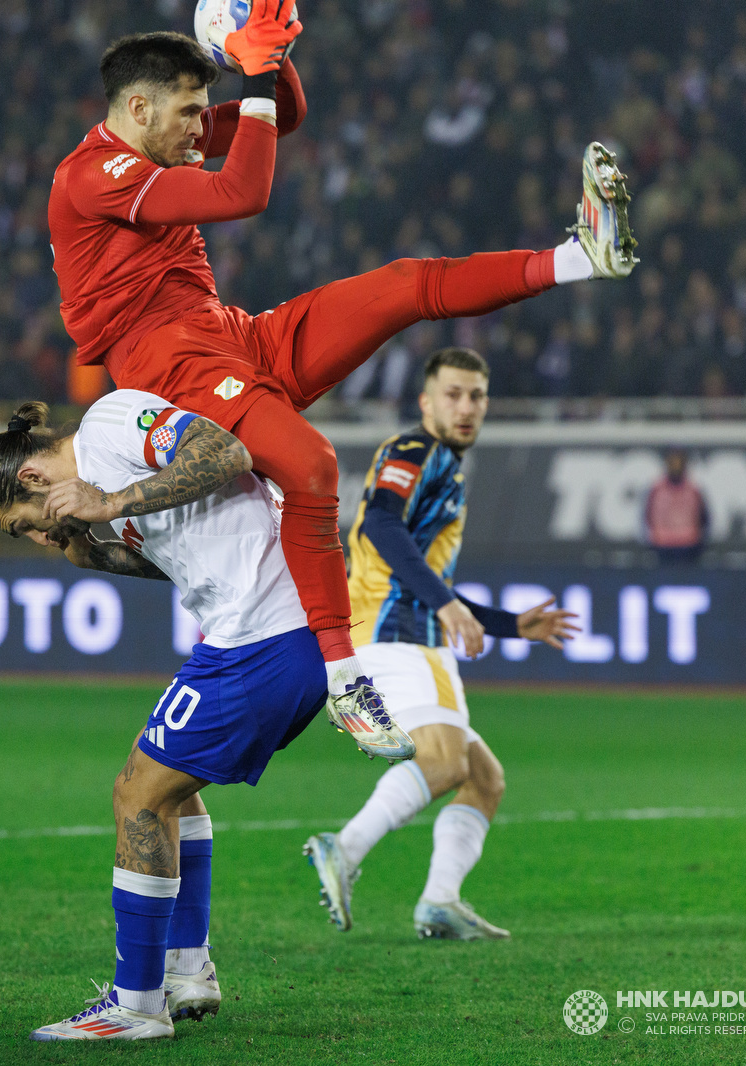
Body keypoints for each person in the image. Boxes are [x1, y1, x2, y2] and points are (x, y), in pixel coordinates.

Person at [48, 17, 636, 735]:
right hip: (167, 366)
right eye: (191, 113)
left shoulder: (164, 140)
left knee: (405, 284)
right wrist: (255, 73)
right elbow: (242, 194)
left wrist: (267, 55)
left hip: (230, 336)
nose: (203, 129)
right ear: (138, 110)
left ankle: (582, 256)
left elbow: (285, 114)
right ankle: (345, 677)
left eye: (208, 110)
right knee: (312, 464)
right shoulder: (91, 174)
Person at [0, 392, 413, 1042]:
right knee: (169, 793)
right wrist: (98, 553)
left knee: (138, 797)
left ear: (33, 478)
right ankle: (187, 970)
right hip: (242, 638)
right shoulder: (104, 484)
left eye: (23, 523)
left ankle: (136, 1005)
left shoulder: (111, 424)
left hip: (266, 637)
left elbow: (225, 451)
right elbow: (180, 555)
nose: (37, 536)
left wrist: (112, 503)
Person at [303, 348, 579, 941]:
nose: (466, 407)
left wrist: (510, 625)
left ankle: (440, 901)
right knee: (446, 762)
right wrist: (448, 606)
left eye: (477, 396)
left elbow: (423, 571)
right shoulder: (414, 451)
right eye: (452, 395)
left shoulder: (445, 466)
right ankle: (343, 849)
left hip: (399, 631)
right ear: (426, 401)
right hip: (399, 634)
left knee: (483, 778)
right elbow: (380, 522)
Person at [644, 447, 709, 565]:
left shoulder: (693, 490)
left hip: (689, 546)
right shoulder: (657, 490)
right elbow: (647, 517)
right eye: (672, 462)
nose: (675, 465)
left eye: (678, 462)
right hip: (662, 545)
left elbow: (704, 518)